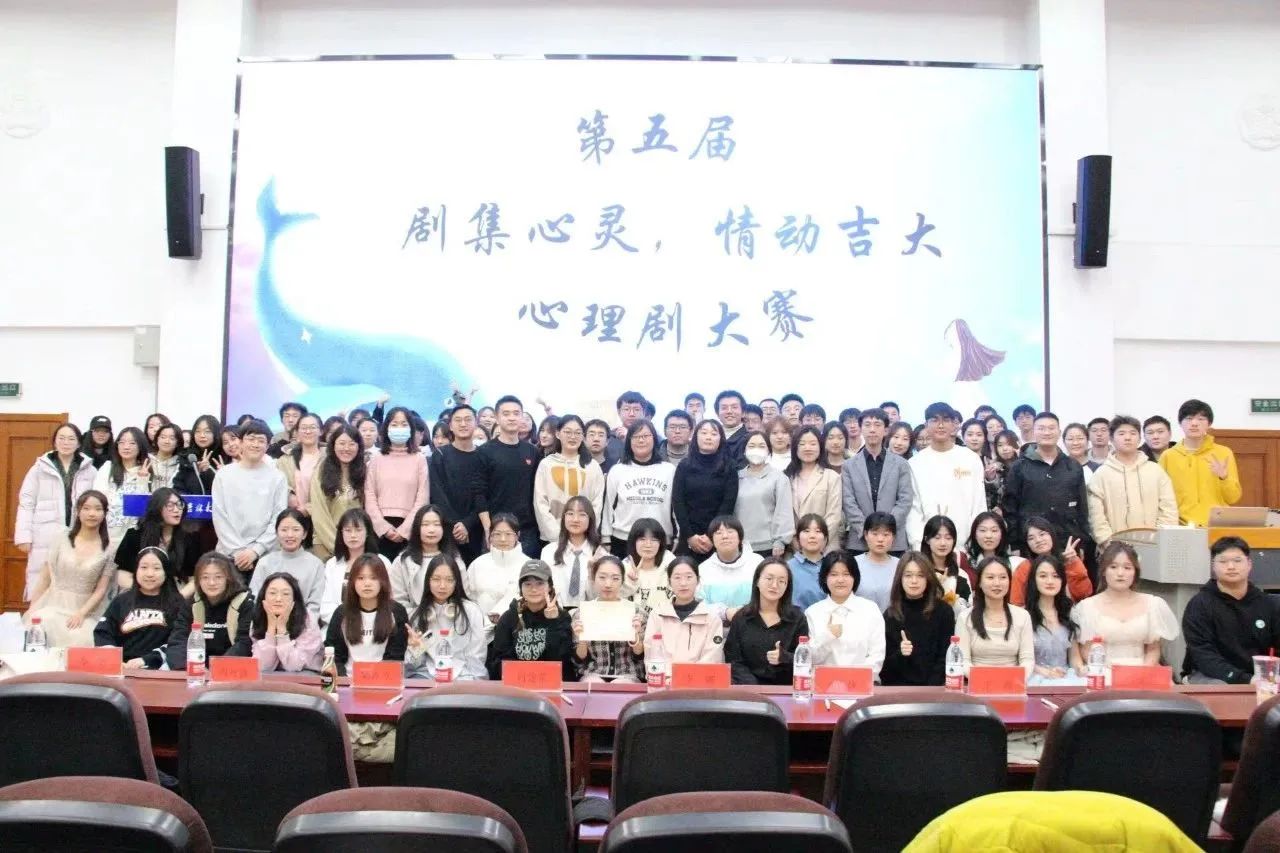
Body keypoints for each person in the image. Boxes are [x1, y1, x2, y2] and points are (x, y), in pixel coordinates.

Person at [1000, 412, 1093, 568]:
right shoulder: (1019, 466)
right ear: (1034, 432)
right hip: (1031, 545)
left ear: (1059, 432)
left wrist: (1081, 542)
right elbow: (1010, 508)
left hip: (1067, 544)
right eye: (1041, 428)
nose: (1047, 432)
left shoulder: (1073, 466)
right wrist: (1015, 543)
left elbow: (1082, 509)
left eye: (1051, 428)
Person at [15, 422, 97, 598]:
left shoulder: (89, 470)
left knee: (73, 582)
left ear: (79, 443)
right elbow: (26, 503)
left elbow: (97, 504)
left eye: (71, 439)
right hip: (45, 532)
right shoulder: (39, 468)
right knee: (40, 579)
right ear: (54, 441)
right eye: (62, 438)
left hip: (79, 532)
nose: (66, 443)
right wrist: (24, 536)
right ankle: (36, 614)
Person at [1182, 537, 1280, 684]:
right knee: (1219, 687)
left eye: (1237, 560)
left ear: (1249, 564)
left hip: (1262, 675)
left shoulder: (1269, 604)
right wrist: (1245, 679)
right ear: (1213, 566)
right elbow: (1203, 655)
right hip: (1211, 675)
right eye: (1223, 561)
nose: (1231, 566)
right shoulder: (1199, 605)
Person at [23, 490, 112, 647]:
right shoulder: (61, 537)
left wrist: (81, 614)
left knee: (84, 638)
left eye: (98, 509)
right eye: (86, 508)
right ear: (78, 511)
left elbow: (101, 590)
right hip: (52, 605)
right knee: (41, 626)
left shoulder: (109, 548)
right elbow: (45, 577)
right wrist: (32, 608)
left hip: (84, 612)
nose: (92, 513)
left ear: (105, 513)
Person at [1070, 542, 1179, 669]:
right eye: (1113, 567)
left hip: (1142, 671)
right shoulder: (1086, 608)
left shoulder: (1153, 604)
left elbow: (1153, 649)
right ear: (1103, 571)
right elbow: (1086, 650)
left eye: (1127, 568)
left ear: (1135, 572)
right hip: (1103, 671)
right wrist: (1107, 670)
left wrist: (1143, 671)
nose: (1120, 573)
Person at [212, 419, 289, 580]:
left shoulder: (277, 477)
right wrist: (238, 552)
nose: (255, 444)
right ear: (240, 442)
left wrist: (255, 551)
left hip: (265, 556)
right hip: (228, 556)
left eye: (261, 440)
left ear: (267, 446)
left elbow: (278, 517)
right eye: (251, 439)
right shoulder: (223, 475)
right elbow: (219, 516)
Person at [1087, 415, 1179, 545]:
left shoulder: (1156, 471)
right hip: (1114, 549)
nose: (1128, 437)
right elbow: (1096, 517)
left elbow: (1168, 510)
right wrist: (1109, 544)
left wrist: (1159, 541)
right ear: (1111, 439)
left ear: (1140, 438)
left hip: (1155, 546)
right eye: (1121, 433)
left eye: (1133, 433)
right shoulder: (1101, 475)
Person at [906, 403, 986, 551]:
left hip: (966, 548)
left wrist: (974, 543)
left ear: (954, 425)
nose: (941, 425)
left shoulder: (971, 459)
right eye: (935, 420)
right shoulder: (915, 463)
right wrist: (919, 545)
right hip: (927, 548)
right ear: (926, 425)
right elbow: (913, 510)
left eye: (946, 420)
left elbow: (979, 505)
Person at [93, 547, 190, 669]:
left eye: (156, 568)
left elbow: (179, 642)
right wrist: (112, 656)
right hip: (121, 668)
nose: (149, 574)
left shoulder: (178, 604)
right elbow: (103, 632)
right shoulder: (121, 601)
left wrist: (147, 660)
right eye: (144, 567)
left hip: (159, 669)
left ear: (166, 572)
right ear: (136, 570)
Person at [486, 560, 575, 681]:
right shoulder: (509, 617)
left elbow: (563, 661)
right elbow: (499, 661)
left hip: (552, 682)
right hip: (517, 683)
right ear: (521, 588)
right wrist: (526, 675)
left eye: (540, 583)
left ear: (550, 587)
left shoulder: (562, 617)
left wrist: (552, 623)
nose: (533, 589)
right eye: (527, 584)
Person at [725, 558, 809, 685]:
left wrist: (784, 657)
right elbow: (733, 660)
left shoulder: (797, 618)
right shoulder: (742, 617)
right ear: (757, 581)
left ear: (787, 586)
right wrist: (754, 687)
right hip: (748, 689)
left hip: (786, 689)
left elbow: (804, 659)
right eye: (769, 579)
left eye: (781, 581)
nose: (774, 585)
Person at [1159, 399, 1242, 526]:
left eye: (1201, 419)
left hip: (1217, 525)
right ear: (1180, 423)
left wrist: (1224, 477)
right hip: (1180, 525)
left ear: (1209, 423)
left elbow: (1233, 498)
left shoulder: (1223, 453)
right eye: (1189, 418)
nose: (1194, 423)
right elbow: (1160, 497)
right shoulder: (1168, 456)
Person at [474, 395, 540, 557]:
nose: (512, 418)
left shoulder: (532, 451)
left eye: (516, 413)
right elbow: (478, 493)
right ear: (497, 418)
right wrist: (488, 528)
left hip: (527, 530)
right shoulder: (484, 451)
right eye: (506, 413)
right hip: (497, 528)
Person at [404, 553, 488, 680]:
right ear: (428, 581)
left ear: (456, 582)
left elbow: (477, 656)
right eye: (436, 579)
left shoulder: (471, 611)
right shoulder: (418, 614)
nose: (442, 586)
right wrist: (415, 649)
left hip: (464, 674)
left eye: (449, 580)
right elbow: (414, 666)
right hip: (427, 675)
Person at [842, 407, 913, 555]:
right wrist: (867, 532)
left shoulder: (901, 464)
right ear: (861, 429)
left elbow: (905, 500)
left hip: (893, 541)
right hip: (860, 541)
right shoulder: (849, 465)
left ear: (886, 430)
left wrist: (886, 531)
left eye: (877, 424)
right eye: (867, 425)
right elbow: (848, 502)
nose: (872, 429)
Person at [601, 420, 676, 558]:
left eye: (646, 436)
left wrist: (678, 537)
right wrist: (605, 537)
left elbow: (676, 507)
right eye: (635, 436)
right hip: (623, 539)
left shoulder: (669, 470)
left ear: (654, 439)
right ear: (629, 441)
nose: (641, 440)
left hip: (660, 539)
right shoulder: (618, 470)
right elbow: (608, 506)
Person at [166, 552, 254, 669]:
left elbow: (244, 643)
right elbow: (178, 640)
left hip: (231, 669)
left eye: (218, 577)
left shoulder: (244, 602)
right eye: (205, 577)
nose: (211, 583)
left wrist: (217, 668)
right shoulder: (192, 604)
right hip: (197, 668)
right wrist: (186, 668)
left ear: (229, 578)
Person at [324, 554, 408, 674]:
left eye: (373, 578)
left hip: (383, 678)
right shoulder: (341, 613)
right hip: (348, 679)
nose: (367, 583)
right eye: (361, 578)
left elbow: (395, 657)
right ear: (352, 582)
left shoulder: (397, 612)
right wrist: (343, 680)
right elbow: (334, 656)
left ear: (383, 581)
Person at [804, 551, 886, 676]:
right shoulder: (813, 612)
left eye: (846, 574)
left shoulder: (870, 609)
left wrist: (853, 679)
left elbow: (876, 655)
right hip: (823, 683)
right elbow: (809, 658)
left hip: (861, 682)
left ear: (855, 577)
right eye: (834, 574)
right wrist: (827, 636)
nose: (840, 580)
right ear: (824, 578)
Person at [880, 552, 956, 686]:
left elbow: (945, 658)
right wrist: (900, 654)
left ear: (928, 578)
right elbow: (884, 670)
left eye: (920, 575)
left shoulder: (944, 612)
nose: (914, 581)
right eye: (908, 575)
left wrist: (929, 690)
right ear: (900, 578)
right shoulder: (891, 614)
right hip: (899, 690)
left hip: (934, 690)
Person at [365, 406, 430, 561]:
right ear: (386, 428)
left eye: (404, 424)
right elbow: (369, 494)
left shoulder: (419, 459)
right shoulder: (376, 458)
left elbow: (422, 497)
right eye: (394, 424)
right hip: (379, 531)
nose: (399, 428)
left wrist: (405, 530)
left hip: (410, 530)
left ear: (411, 429)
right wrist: (383, 527)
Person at [571, 555, 646, 683]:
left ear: (622, 581)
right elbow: (579, 661)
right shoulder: (582, 613)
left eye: (615, 578)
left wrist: (635, 637)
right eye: (602, 577)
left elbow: (640, 658)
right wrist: (582, 639)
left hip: (628, 674)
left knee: (621, 684)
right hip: (593, 673)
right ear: (593, 578)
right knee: (594, 683)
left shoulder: (637, 612)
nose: (608, 584)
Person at [957, 556, 1035, 678]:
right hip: (978, 682)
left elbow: (1027, 659)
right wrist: (986, 679)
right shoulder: (965, 617)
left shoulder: (1022, 616)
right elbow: (963, 661)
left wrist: (1013, 679)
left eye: (1003, 577)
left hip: (1013, 682)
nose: (997, 583)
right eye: (990, 577)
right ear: (980, 583)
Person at [533, 414, 605, 545]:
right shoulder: (546, 464)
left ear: (583, 436)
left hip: (584, 538)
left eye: (578, 433)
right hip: (552, 539)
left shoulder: (592, 466)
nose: (573, 437)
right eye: (567, 432)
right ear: (558, 434)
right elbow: (540, 503)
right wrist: (556, 535)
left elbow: (597, 503)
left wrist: (584, 532)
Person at [114, 488, 200, 596]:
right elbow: (123, 574)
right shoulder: (134, 536)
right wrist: (145, 593)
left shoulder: (188, 539)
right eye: (170, 505)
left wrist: (178, 598)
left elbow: (194, 578)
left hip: (175, 594)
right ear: (157, 508)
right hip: (139, 593)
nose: (177, 510)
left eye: (179, 505)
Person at [427, 404, 485, 564]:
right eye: (458, 420)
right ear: (451, 426)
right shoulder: (440, 455)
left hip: (475, 529)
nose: (463, 424)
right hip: (446, 529)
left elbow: (485, 495)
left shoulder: (484, 456)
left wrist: (467, 524)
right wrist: (455, 525)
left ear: (476, 423)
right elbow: (437, 493)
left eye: (468, 419)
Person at [673, 420, 739, 559]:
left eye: (714, 434)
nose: (708, 437)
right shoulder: (684, 466)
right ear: (695, 437)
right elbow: (678, 502)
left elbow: (728, 504)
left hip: (719, 534)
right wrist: (690, 536)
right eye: (704, 433)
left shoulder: (729, 467)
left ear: (721, 439)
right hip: (688, 536)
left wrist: (711, 535)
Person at [643, 557, 725, 667]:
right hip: (664, 676)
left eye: (689, 577)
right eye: (677, 577)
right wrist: (668, 675)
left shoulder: (711, 618)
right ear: (669, 582)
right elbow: (651, 652)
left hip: (699, 677)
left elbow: (712, 657)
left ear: (698, 580)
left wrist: (687, 676)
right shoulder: (657, 614)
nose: (683, 583)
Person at [248, 509, 325, 620]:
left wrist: (301, 625)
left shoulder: (316, 564)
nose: (290, 535)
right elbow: (255, 599)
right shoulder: (264, 563)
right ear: (277, 533)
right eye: (284, 530)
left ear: (304, 534)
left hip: (304, 625)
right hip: (267, 623)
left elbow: (315, 605)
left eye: (296, 530)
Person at [388, 504, 464, 614]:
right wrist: (419, 618)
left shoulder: (455, 559)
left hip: (451, 618)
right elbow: (398, 601)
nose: (431, 530)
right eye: (425, 524)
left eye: (436, 524)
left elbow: (463, 598)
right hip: (414, 620)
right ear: (417, 528)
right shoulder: (402, 561)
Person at [320, 508, 389, 628]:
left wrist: (366, 622)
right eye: (348, 530)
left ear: (367, 532)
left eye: (358, 530)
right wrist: (345, 623)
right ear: (341, 533)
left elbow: (388, 599)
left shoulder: (382, 562)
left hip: (375, 626)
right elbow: (326, 605)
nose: (353, 535)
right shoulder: (332, 564)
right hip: (339, 626)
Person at [308, 425, 366, 562]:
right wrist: (340, 546)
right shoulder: (321, 471)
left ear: (359, 447)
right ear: (333, 445)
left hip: (357, 543)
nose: (346, 448)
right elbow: (319, 514)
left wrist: (354, 544)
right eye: (342, 443)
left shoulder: (363, 471)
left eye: (352, 444)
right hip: (325, 542)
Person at [1024, 554, 1084, 685]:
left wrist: (1081, 669)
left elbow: (1074, 658)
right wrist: (1046, 672)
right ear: (1033, 580)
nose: (1050, 581)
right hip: (1034, 680)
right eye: (1043, 576)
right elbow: (1019, 660)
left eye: (1056, 576)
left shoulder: (1069, 612)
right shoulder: (1023, 615)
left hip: (1064, 678)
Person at [465, 513, 526, 640]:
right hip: (481, 634)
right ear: (490, 536)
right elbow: (468, 599)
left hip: (517, 634)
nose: (503, 539)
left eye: (508, 534)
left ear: (517, 535)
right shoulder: (477, 564)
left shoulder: (527, 565)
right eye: (497, 534)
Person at [1010, 515, 1093, 607]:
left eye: (1042, 534)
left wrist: (1074, 564)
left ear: (1051, 535)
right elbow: (1016, 603)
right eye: (1031, 538)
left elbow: (1084, 594)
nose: (1038, 540)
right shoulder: (1025, 567)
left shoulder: (1067, 560)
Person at [736, 430, 794, 559]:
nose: (756, 450)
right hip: (740, 545)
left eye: (761, 446)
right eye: (751, 446)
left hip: (769, 546)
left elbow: (784, 511)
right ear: (744, 450)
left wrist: (780, 541)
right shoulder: (736, 477)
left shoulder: (779, 478)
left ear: (768, 450)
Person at [542, 496, 608, 608]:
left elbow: (602, 596)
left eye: (582, 514)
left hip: (589, 612)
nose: (575, 519)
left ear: (590, 519)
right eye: (570, 514)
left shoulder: (601, 554)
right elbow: (544, 588)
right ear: (564, 518)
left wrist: (592, 574)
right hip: (555, 611)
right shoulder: (549, 551)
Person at [251, 572, 324, 672]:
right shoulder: (258, 616)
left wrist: (281, 629)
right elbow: (263, 667)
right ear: (263, 596)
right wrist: (271, 628)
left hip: (305, 673)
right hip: (270, 676)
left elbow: (294, 666)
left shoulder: (307, 619)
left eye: (285, 594)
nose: (278, 599)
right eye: (272, 593)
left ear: (294, 598)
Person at [93, 426, 153, 547]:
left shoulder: (148, 470)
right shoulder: (107, 468)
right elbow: (97, 499)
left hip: (133, 536)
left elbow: (141, 509)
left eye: (132, 443)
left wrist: (142, 481)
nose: (126, 447)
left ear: (140, 446)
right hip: (106, 533)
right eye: (122, 442)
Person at [786, 426, 843, 552]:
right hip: (796, 548)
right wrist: (796, 541)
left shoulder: (831, 477)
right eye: (802, 444)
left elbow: (834, 515)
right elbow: (785, 515)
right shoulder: (787, 478)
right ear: (795, 448)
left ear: (820, 447)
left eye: (813, 444)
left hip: (826, 547)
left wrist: (818, 541)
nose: (808, 448)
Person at [697, 515, 764, 617]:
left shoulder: (757, 562)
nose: (725, 536)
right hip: (716, 624)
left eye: (730, 531)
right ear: (712, 540)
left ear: (740, 537)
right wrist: (725, 612)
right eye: (718, 533)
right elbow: (699, 606)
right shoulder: (703, 569)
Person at [966, 511, 1026, 596]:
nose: (988, 535)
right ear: (974, 534)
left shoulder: (1016, 564)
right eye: (983, 530)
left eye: (994, 530)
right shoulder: (966, 563)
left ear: (1002, 534)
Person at [853, 512, 902, 613]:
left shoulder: (900, 565)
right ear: (866, 535)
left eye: (886, 534)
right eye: (875, 534)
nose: (880, 539)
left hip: (892, 620)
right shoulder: (853, 563)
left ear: (893, 537)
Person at [923, 515, 973, 612]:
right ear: (927, 540)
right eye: (937, 537)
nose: (943, 543)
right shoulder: (919, 571)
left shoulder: (961, 575)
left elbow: (967, 611)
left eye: (948, 538)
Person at [277, 413, 324, 514]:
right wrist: (289, 495)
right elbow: (278, 485)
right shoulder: (284, 460)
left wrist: (308, 509)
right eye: (303, 428)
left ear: (321, 431)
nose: (308, 431)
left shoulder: (329, 458)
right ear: (297, 432)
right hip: (293, 516)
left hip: (323, 514)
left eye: (312, 427)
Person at [788, 513, 829, 610]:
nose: (812, 536)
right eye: (806, 531)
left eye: (818, 531)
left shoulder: (832, 565)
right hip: (798, 618)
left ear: (825, 538)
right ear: (798, 538)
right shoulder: (787, 568)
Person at [604, 391, 649, 466]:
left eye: (636, 409)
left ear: (644, 413)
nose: (631, 414)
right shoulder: (608, 437)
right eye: (626, 409)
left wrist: (629, 438)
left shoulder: (652, 437)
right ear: (619, 412)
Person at [149, 423, 189, 490]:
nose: (166, 441)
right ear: (157, 439)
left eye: (172, 438)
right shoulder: (147, 461)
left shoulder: (181, 465)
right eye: (163, 437)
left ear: (178, 443)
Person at [715, 390, 749, 463]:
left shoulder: (750, 439)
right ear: (717, 413)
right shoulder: (710, 436)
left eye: (734, 407)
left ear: (743, 412)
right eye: (724, 408)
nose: (729, 411)